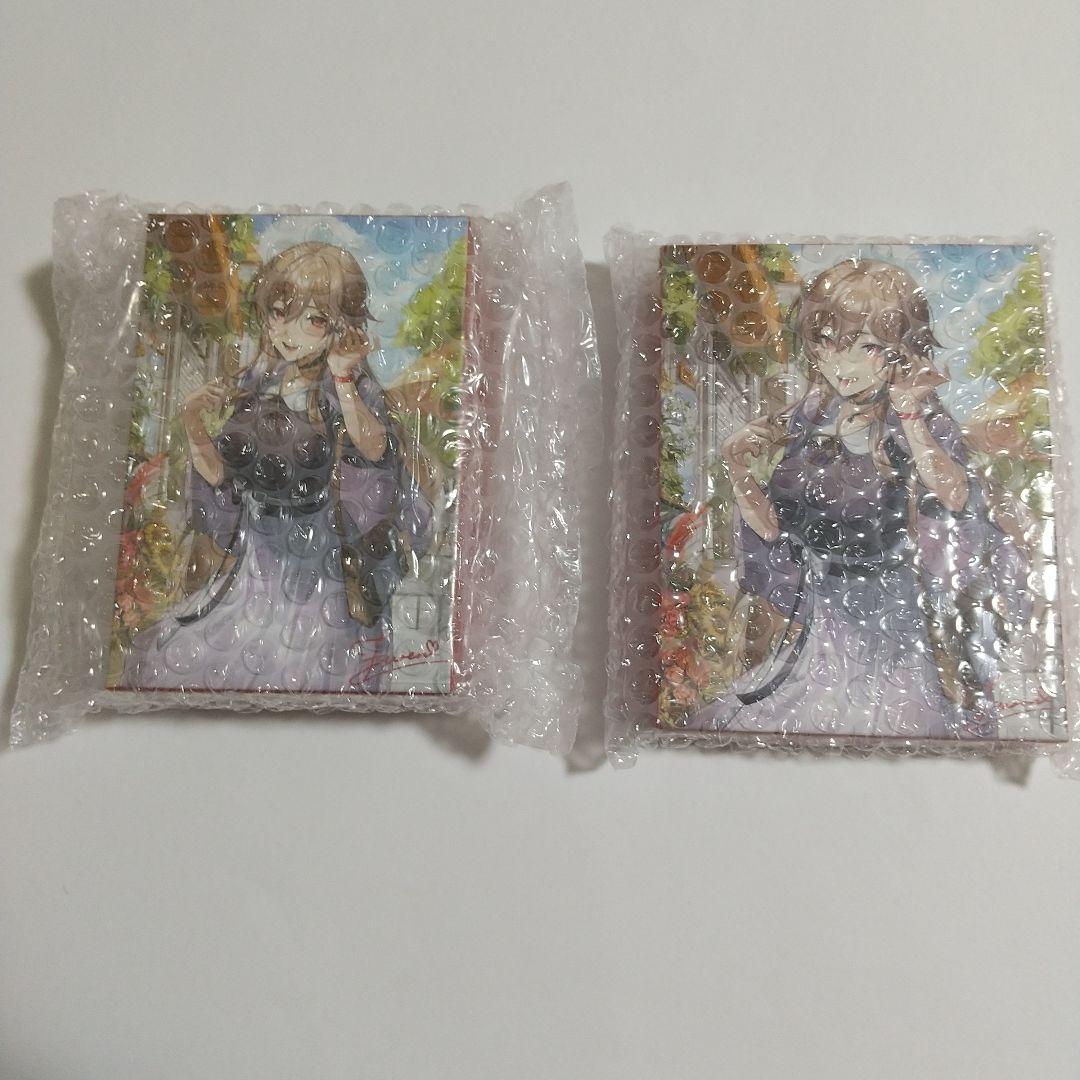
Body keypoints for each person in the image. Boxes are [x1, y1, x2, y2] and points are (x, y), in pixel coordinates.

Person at [693, 258, 1025, 738]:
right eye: (826, 342)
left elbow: (955, 496)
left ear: (900, 350)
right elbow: (770, 527)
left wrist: (909, 416)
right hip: (822, 621)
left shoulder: (916, 418)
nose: (840, 364)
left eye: (865, 346)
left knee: (898, 724)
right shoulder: (812, 416)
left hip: (892, 621)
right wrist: (736, 465)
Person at [122, 241, 432, 694]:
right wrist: (191, 420)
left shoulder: (346, 386)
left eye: (313, 319)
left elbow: (375, 448)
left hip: (317, 568)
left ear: (339, 324)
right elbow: (220, 476)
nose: (288, 332)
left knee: (306, 668)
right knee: (186, 657)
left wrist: (342, 376)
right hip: (253, 564)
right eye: (279, 313)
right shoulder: (258, 384)